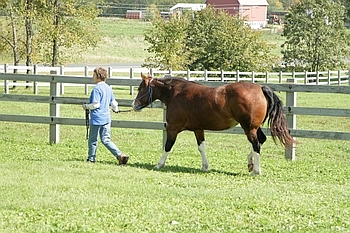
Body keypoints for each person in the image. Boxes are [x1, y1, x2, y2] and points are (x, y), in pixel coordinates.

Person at [82, 67, 129, 165]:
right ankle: (120, 155)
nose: (93, 77)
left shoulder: (96, 89)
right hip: (106, 118)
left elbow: (95, 105)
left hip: (96, 118)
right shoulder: (108, 88)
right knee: (106, 139)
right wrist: (116, 110)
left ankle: (91, 158)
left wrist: (86, 106)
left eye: (94, 75)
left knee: (93, 139)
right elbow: (114, 103)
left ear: (98, 76)